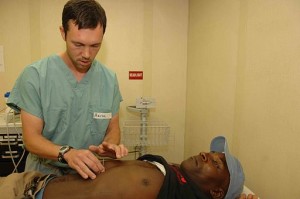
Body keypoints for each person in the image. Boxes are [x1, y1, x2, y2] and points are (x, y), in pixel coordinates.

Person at [7, 0, 128, 180]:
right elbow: (31, 139)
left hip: (89, 176)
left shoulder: (108, 80)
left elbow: (113, 128)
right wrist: (66, 153)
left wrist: (109, 145)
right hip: (44, 176)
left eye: (95, 45)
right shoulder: (35, 76)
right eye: (78, 44)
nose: (87, 54)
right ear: (63, 33)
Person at [0, 136, 258, 199]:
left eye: (216, 162)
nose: (206, 154)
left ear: (216, 193)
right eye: (212, 152)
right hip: (35, 180)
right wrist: (109, 159)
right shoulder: (174, 172)